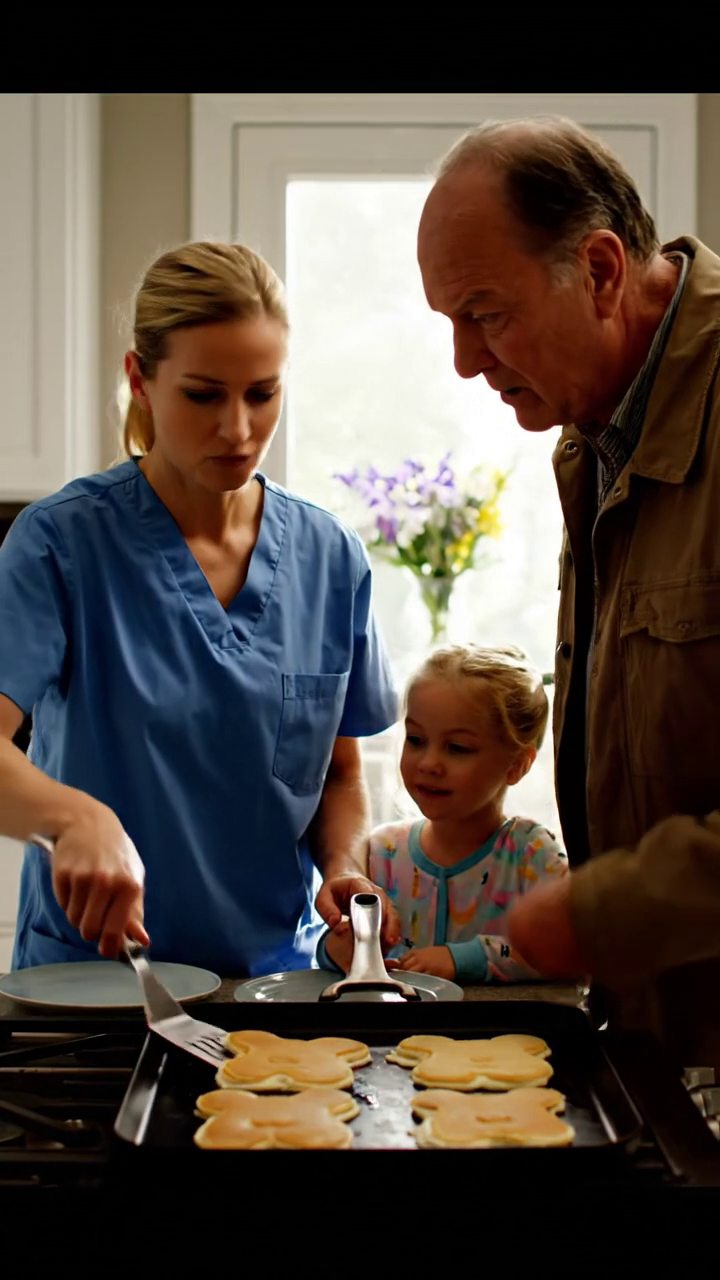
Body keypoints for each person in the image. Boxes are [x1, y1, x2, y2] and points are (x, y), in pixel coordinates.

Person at [0, 241, 400, 976]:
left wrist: (343, 865)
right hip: (93, 989)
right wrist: (74, 818)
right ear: (141, 381)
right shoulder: (60, 545)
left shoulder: (331, 558)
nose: (239, 429)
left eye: (263, 393)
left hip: (274, 990)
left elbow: (338, 774)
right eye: (204, 394)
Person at [417, 116, 720, 1061]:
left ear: (598, 270)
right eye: (450, 323)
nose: (466, 361)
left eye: (486, 313)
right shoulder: (592, 433)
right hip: (661, 1036)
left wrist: (606, 909)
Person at [317, 644, 567, 983]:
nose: (429, 763)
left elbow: (566, 948)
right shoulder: (382, 852)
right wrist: (339, 948)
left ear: (517, 764)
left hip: (507, 1037)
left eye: (457, 748)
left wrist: (464, 959)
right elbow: (338, 944)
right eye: (416, 740)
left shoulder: (532, 855)